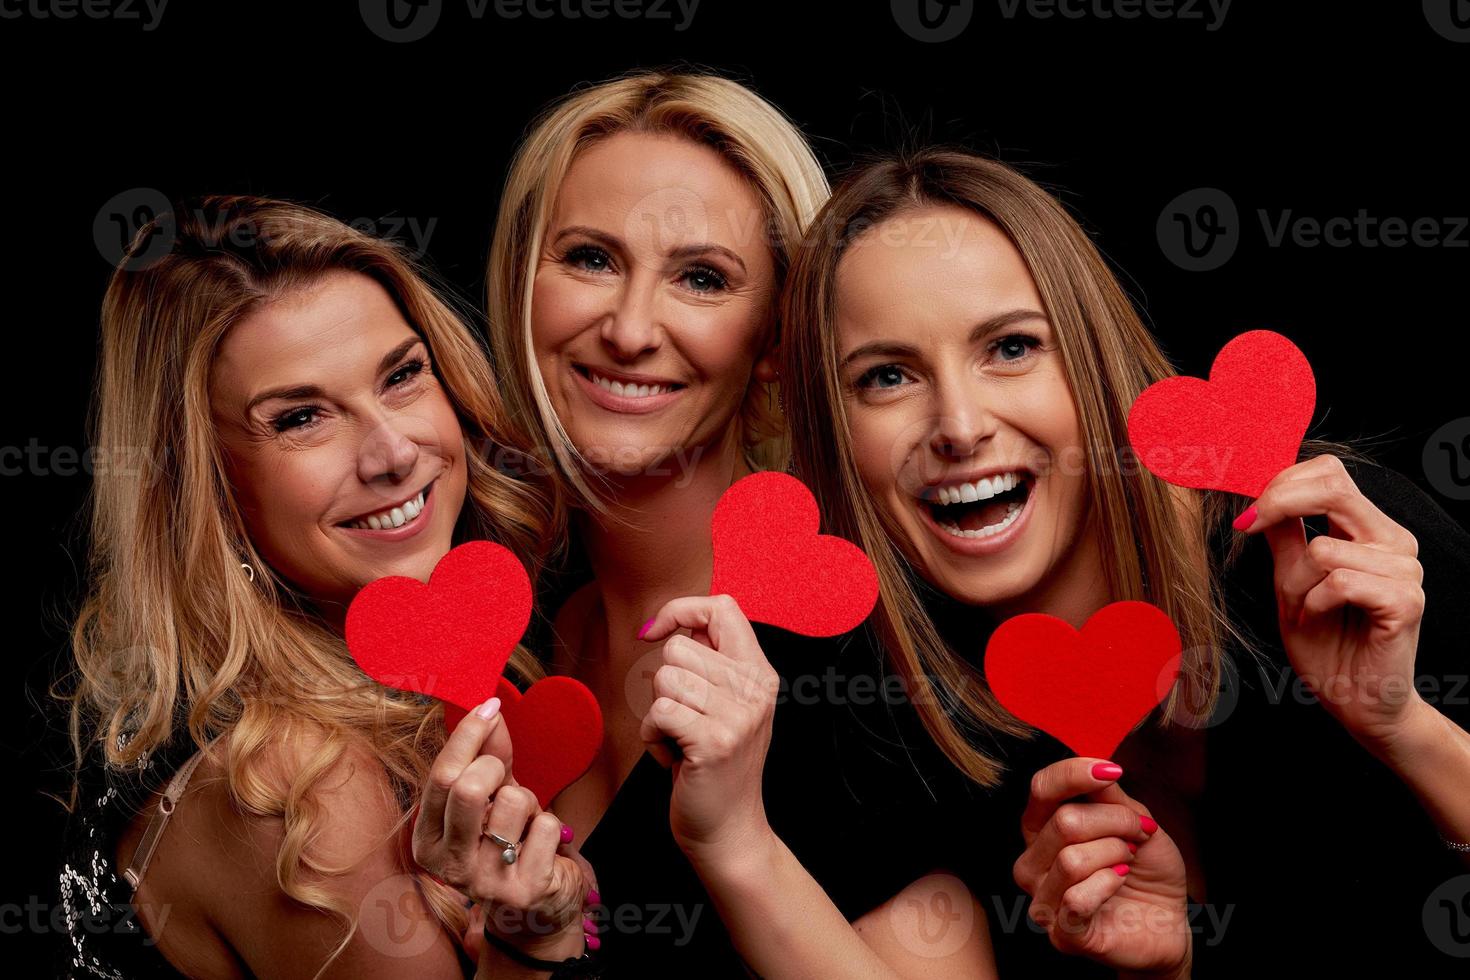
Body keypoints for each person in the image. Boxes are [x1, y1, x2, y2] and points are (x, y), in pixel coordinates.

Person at [780, 148, 1470, 978]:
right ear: (833, 436)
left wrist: (1406, 728)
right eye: (886, 376)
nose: (958, 425)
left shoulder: (1339, 546)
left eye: (1010, 348)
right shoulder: (886, 725)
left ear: (1093, 361)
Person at [484, 71, 999, 976]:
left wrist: (737, 843)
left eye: (702, 278)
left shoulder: (861, 663)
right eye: (591, 259)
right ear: (523, 284)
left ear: (773, 343)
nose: (632, 329)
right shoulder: (514, 620)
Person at [53, 196, 598, 979]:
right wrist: (534, 943)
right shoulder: (297, 783)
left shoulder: (330, 695)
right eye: (303, 417)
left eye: (403, 376)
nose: (392, 452)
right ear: (207, 488)